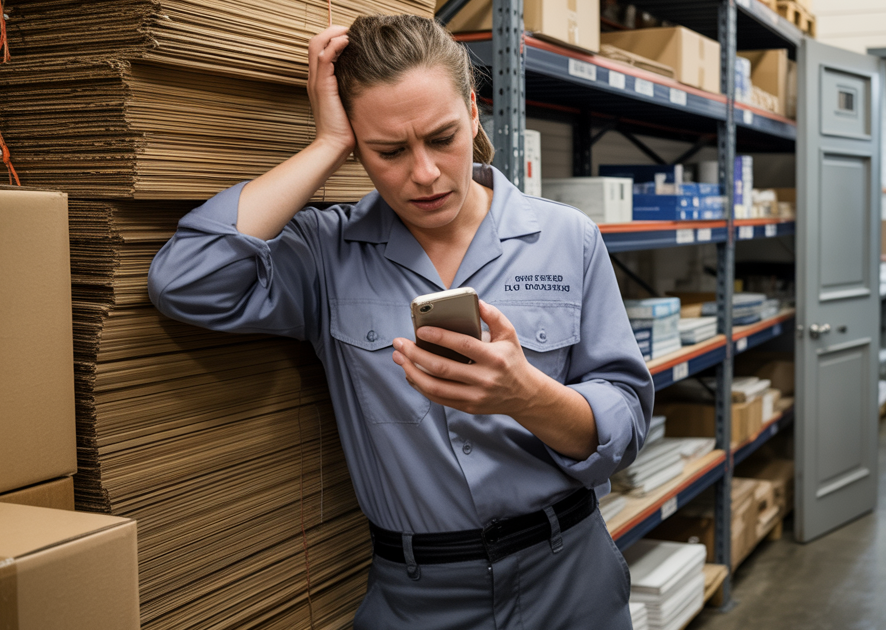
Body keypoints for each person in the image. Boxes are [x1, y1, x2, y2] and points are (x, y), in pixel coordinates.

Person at [147, 15, 650, 629]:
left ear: (472, 109)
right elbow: (185, 280)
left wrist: (527, 396)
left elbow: (623, 424)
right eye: (388, 150)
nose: (425, 173)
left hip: (571, 575)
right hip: (418, 597)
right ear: (357, 143)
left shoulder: (565, 236)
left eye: (442, 137)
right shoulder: (325, 253)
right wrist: (325, 145)